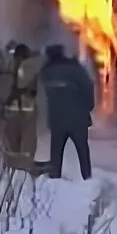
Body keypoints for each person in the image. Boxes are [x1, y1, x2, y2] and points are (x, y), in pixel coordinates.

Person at [39, 44, 95, 180]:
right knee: (83, 151)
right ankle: (87, 178)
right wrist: (88, 107)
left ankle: (55, 177)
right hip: (78, 118)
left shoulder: (46, 72)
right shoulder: (76, 69)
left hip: (57, 120)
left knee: (56, 153)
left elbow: (40, 94)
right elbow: (88, 86)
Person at [1, 43, 38, 170]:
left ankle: (11, 169)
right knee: (27, 143)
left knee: (11, 143)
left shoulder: (7, 67)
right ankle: (24, 169)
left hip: (10, 111)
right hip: (26, 111)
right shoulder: (29, 68)